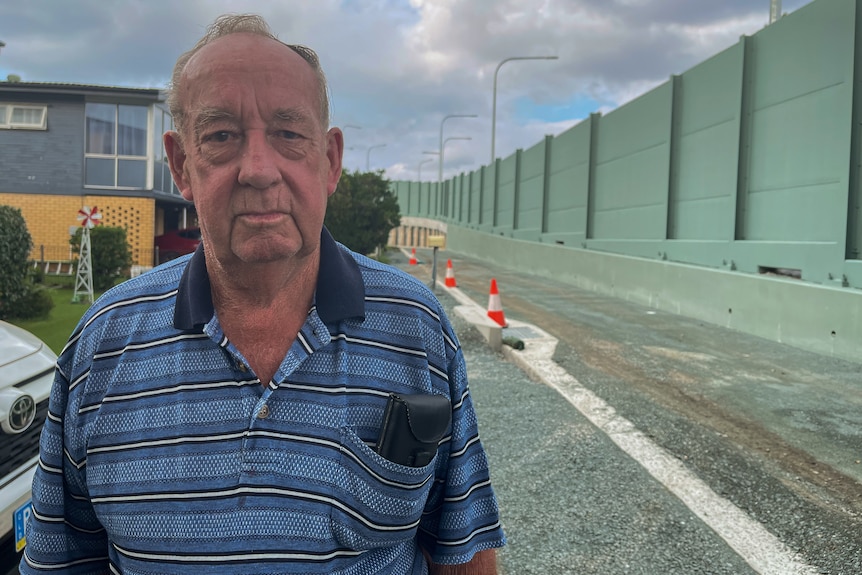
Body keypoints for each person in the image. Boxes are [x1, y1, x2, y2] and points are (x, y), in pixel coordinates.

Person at [20, 13, 505, 575]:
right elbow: (60, 561)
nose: (257, 169)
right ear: (181, 164)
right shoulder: (102, 345)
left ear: (329, 160)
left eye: (289, 133)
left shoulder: (414, 327)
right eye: (221, 136)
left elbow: (463, 552)